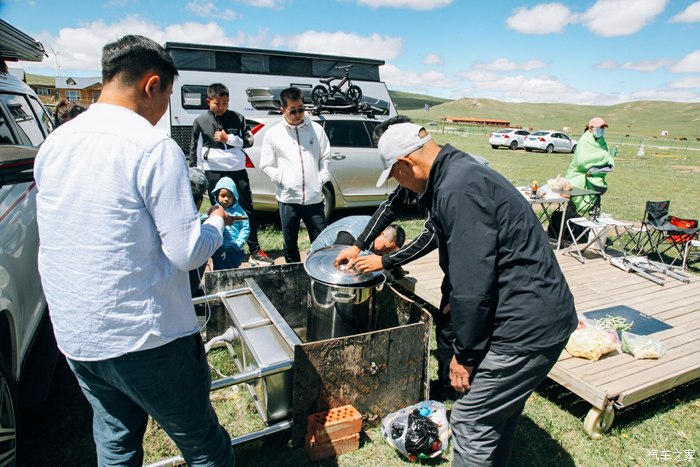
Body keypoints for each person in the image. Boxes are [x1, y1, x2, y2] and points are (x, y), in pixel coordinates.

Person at [34, 35, 235, 466]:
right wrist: (216, 223)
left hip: (77, 333)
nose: (164, 110)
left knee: (116, 441)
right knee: (204, 446)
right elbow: (187, 252)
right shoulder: (152, 146)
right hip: (146, 335)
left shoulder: (54, 144)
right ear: (152, 84)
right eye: (166, 97)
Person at [366, 117, 578, 466]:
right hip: (542, 313)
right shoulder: (458, 171)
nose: (399, 183)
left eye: (395, 174)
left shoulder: (457, 189)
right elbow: (473, 260)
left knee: (470, 421)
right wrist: (451, 299)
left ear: (405, 163)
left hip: (527, 323)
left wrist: (464, 355)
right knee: (498, 415)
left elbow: (473, 281)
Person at [189, 82, 273, 267]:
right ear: (208, 101)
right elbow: (194, 150)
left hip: (237, 170)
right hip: (214, 171)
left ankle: (254, 250)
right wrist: (196, 173)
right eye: (217, 103)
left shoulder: (238, 118)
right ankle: (221, 249)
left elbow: (249, 141)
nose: (221, 107)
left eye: (225, 103)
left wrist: (230, 139)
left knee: (246, 209)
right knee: (218, 210)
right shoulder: (201, 121)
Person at [259, 86, 330, 263]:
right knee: (290, 242)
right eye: (293, 111)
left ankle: (319, 272)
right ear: (282, 110)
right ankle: (294, 276)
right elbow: (266, 165)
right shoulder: (273, 134)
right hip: (288, 199)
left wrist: (321, 179)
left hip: (314, 198)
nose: (298, 114)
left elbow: (325, 157)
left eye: (301, 109)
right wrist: (282, 179)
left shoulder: (316, 129)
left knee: (321, 240)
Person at [566, 116, 615, 216]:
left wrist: (602, 160)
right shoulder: (584, 141)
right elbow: (581, 162)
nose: (601, 130)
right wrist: (603, 156)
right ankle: (568, 228)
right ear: (590, 128)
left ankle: (591, 228)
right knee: (572, 208)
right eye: (599, 128)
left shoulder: (603, 142)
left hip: (595, 181)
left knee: (595, 207)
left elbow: (606, 160)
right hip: (578, 179)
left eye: (603, 128)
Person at [309, 214, 406, 256]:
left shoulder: (375, 230)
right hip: (319, 257)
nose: (384, 253)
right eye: (386, 248)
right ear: (381, 234)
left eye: (389, 252)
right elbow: (335, 259)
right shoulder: (351, 236)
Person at [210, 176, 250, 270]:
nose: (226, 199)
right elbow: (208, 222)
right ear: (217, 196)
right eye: (223, 196)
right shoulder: (215, 209)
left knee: (233, 271)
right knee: (218, 271)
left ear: (235, 196)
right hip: (219, 249)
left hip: (235, 249)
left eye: (230, 196)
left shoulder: (239, 212)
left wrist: (239, 243)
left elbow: (245, 228)